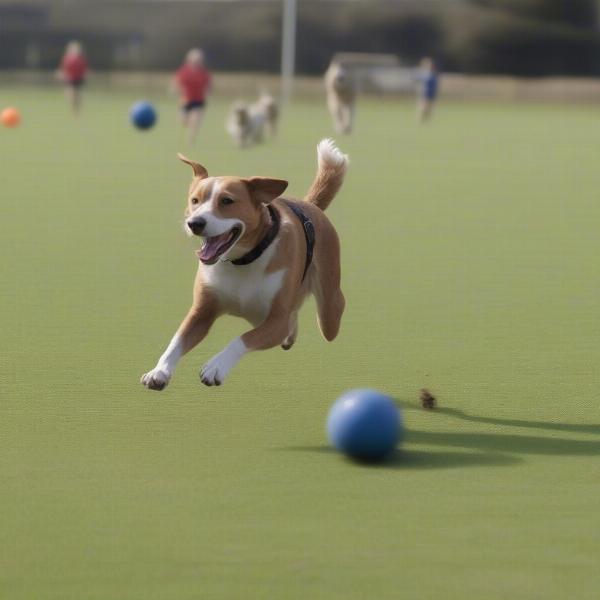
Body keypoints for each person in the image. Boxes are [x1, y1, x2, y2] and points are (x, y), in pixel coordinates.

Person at [173, 48, 212, 145]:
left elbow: (209, 85)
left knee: (194, 121)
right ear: (189, 60)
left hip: (199, 101)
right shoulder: (184, 71)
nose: (197, 62)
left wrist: (207, 93)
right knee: (183, 121)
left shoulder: (204, 73)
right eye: (195, 60)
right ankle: (189, 126)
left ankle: (190, 141)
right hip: (186, 100)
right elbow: (177, 83)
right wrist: (179, 94)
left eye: (199, 60)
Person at [58, 41, 88, 115]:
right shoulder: (67, 58)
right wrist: (62, 74)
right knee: (71, 94)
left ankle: (77, 110)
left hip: (78, 79)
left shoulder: (81, 59)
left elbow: (84, 69)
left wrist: (84, 75)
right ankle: (73, 109)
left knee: (77, 95)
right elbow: (64, 68)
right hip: (70, 78)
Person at [416, 57, 439, 123]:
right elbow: (419, 83)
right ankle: (420, 120)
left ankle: (427, 120)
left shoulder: (433, 73)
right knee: (423, 107)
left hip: (431, 93)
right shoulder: (422, 73)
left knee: (430, 108)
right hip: (424, 93)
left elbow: (435, 84)